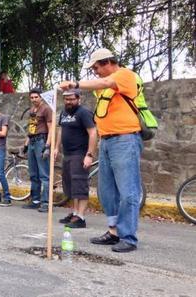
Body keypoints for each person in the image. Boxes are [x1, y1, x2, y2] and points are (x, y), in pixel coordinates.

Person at [60, 48, 143, 253]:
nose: (95, 71)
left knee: (128, 192)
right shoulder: (102, 87)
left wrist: (75, 84)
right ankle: (113, 232)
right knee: (106, 192)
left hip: (125, 139)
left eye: (96, 67)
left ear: (107, 62)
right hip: (107, 141)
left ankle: (128, 237)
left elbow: (105, 82)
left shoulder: (124, 75)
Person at [54, 89, 97, 228]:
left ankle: (81, 217)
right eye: (66, 99)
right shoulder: (64, 112)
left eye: (71, 99)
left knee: (80, 185)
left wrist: (89, 154)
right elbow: (61, 130)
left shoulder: (84, 112)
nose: (68, 102)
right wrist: (56, 147)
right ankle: (74, 213)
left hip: (80, 154)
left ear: (79, 99)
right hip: (67, 154)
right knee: (71, 186)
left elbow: (92, 133)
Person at [22, 88, 52, 212]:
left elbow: (51, 129)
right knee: (33, 173)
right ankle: (35, 200)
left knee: (44, 175)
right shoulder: (32, 110)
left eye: (36, 97)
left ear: (41, 97)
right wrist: (25, 144)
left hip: (41, 141)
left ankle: (45, 203)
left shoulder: (46, 109)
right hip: (32, 141)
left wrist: (48, 146)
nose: (34, 99)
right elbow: (32, 128)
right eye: (32, 97)